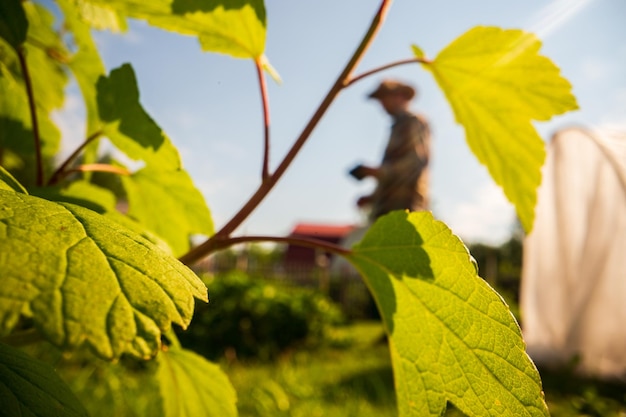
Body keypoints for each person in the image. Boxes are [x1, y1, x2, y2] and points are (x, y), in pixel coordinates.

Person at [350, 79, 431, 221]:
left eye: (384, 98)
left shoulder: (413, 122)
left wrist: (378, 172)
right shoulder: (397, 126)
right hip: (387, 207)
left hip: (405, 206)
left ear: (399, 96)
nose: (382, 105)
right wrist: (373, 197)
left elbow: (416, 161)